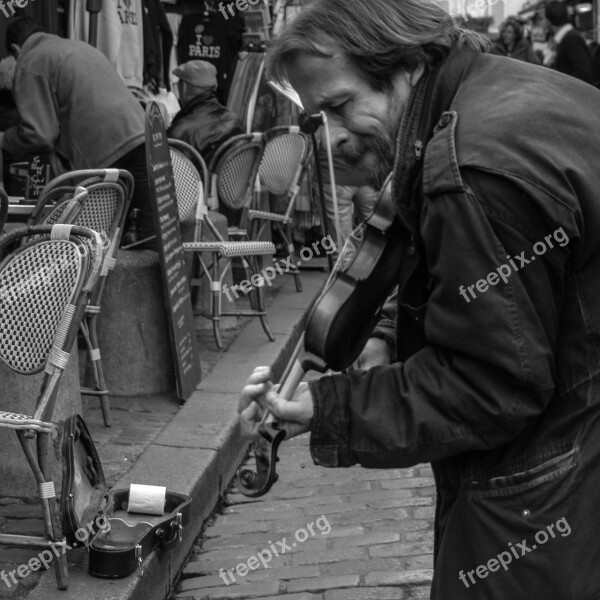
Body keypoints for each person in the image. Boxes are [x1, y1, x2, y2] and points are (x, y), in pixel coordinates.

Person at [238, 0, 600, 598]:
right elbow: (468, 282)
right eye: (314, 117)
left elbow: (491, 384)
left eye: (338, 106)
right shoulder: (502, 92)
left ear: (405, 66)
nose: (328, 138)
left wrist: (330, 409)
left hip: (551, 482)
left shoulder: (471, 165)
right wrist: (385, 338)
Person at [0, 17, 155, 244]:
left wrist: (5, 140)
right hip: (143, 134)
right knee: (148, 232)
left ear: (15, 49)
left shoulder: (30, 61)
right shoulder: (77, 46)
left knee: (89, 239)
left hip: (105, 150)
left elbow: (41, 134)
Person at [167, 60, 244, 166]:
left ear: (183, 87)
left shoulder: (179, 132)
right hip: (236, 182)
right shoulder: (235, 120)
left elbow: (174, 178)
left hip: (200, 182)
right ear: (214, 87)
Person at [545, 1, 595, 84]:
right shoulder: (567, 37)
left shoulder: (570, 39)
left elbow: (584, 74)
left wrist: (559, 84)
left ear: (548, 22)